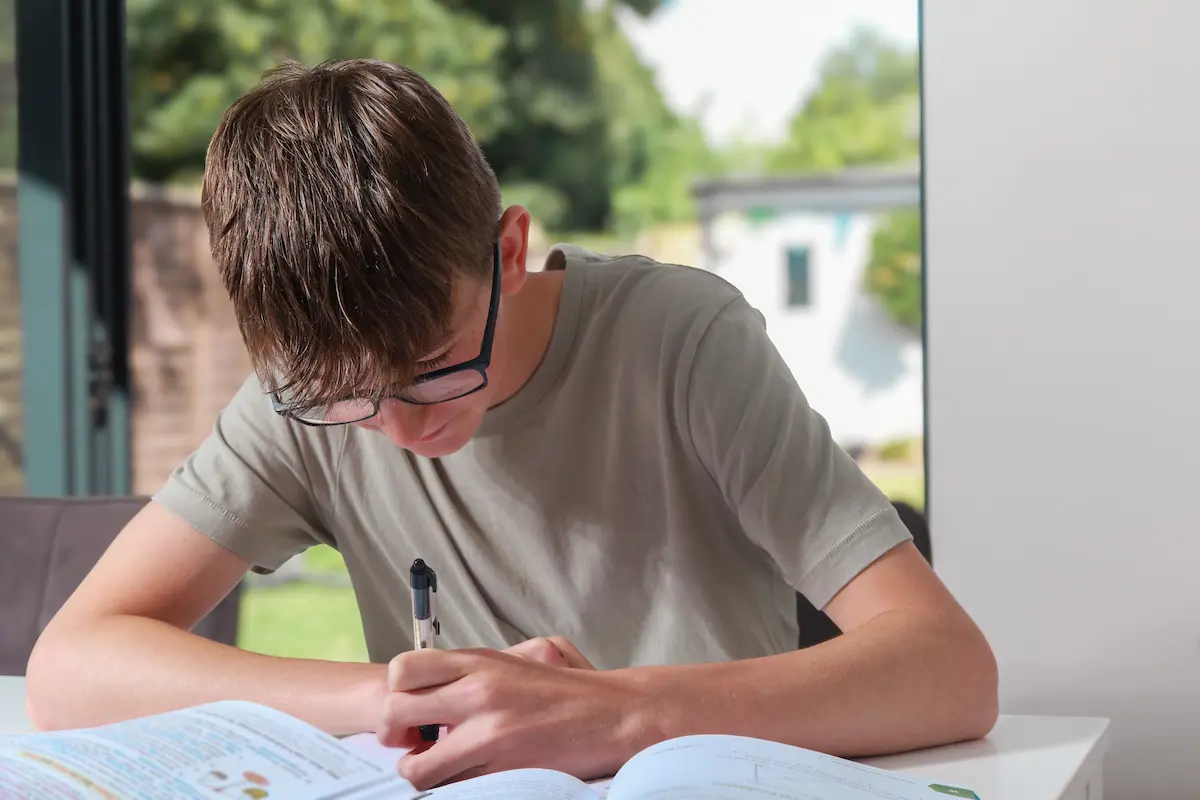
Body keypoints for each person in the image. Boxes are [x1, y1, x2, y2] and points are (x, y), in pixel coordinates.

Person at [26, 59, 998, 790]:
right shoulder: (307, 396)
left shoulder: (681, 338)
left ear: (512, 247)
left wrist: (616, 713)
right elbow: (72, 664)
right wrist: (391, 698)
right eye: (350, 396)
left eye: (439, 366)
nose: (400, 427)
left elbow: (951, 668)